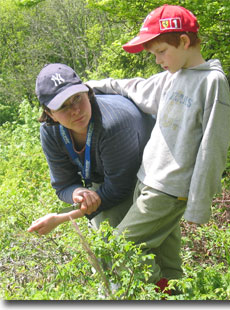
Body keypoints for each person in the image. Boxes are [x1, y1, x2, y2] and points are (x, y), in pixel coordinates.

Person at [87, 4, 230, 293]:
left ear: (184, 41)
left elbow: (213, 148)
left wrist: (198, 205)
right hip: (147, 180)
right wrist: (87, 87)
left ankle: (146, 295)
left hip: (169, 189)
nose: (157, 60)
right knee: (167, 263)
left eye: (161, 51)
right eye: (154, 54)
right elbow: (132, 87)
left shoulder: (211, 82)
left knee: (119, 248)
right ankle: (173, 295)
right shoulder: (171, 77)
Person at [27, 63, 154, 235]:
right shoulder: (50, 131)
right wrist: (77, 192)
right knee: (108, 240)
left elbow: (118, 189)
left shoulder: (113, 124)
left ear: (87, 92)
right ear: (50, 114)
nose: (75, 110)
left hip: (150, 173)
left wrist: (61, 218)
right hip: (113, 176)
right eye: (63, 106)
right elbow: (63, 185)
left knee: (140, 243)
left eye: (77, 98)